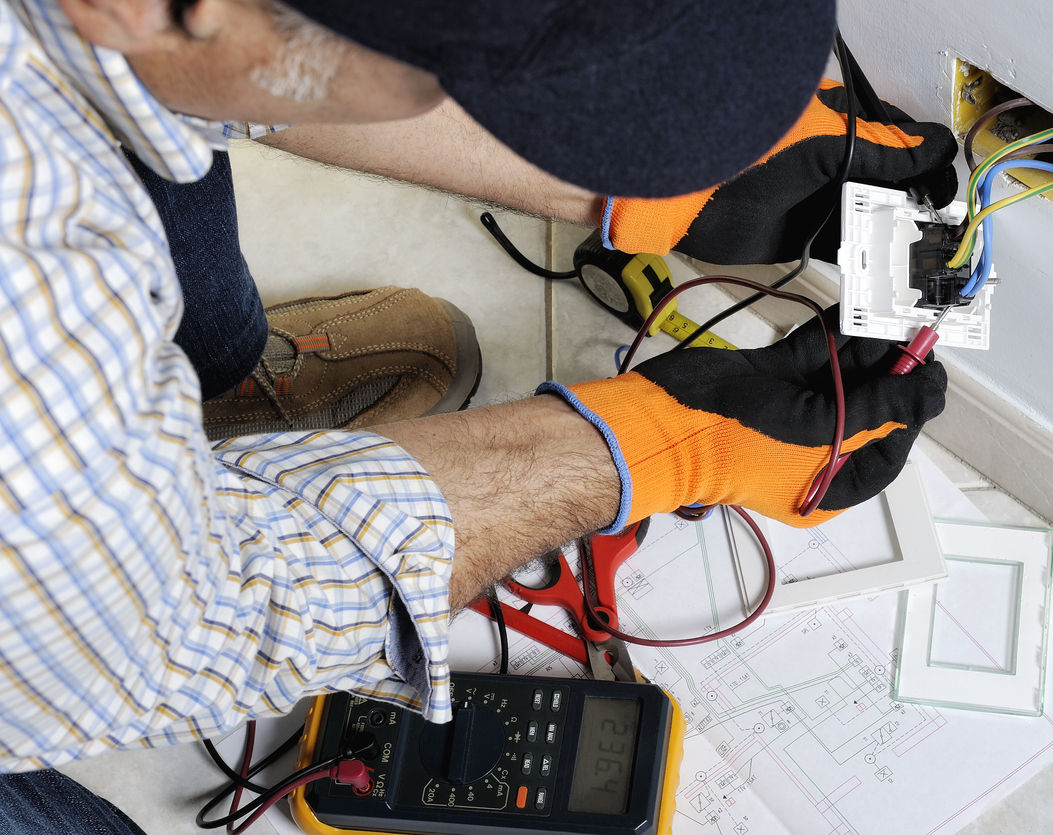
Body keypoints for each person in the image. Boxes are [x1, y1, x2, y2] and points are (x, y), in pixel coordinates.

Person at [0, 0, 957, 829]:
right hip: (49, 624)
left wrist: (661, 190)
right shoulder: (28, 284)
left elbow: (196, 56)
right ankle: (124, 455)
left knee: (202, 296)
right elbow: (176, 625)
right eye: (458, 75)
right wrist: (670, 443)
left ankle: (159, 399)